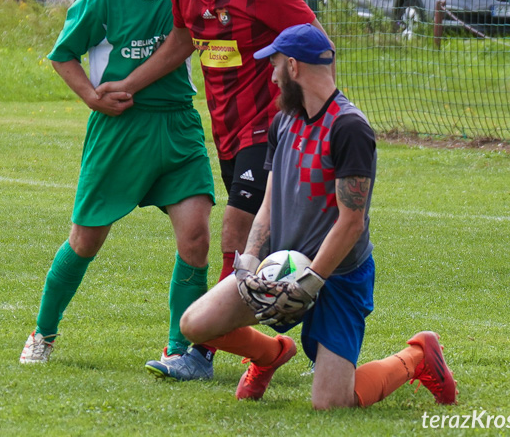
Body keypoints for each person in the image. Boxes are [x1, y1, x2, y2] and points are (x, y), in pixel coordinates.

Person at [96, 0, 328, 380]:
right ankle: (298, 347)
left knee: (236, 228)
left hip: (270, 128)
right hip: (225, 130)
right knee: (283, 242)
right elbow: (181, 43)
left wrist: (314, 116)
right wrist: (130, 84)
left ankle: (202, 349)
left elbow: (315, 43)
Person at [177, 23, 458, 408]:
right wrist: (250, 264)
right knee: (195, 324)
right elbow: (268, 206)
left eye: (274, 65)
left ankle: (417, 356)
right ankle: (271, 353)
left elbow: (351, 221)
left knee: (331, 403)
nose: (272, 77)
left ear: (293, 67)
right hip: (280, 267)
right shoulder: (283, 122)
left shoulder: (349, 128)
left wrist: (310, 282)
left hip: (338, 275)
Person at [19, 0, 216, 370]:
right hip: (119, 132)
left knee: (196, 238)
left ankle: (178, 346)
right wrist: (91, 96)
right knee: (86, 241)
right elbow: (62, 55)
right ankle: (43, 333)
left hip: (178, 125)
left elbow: (186, 41)